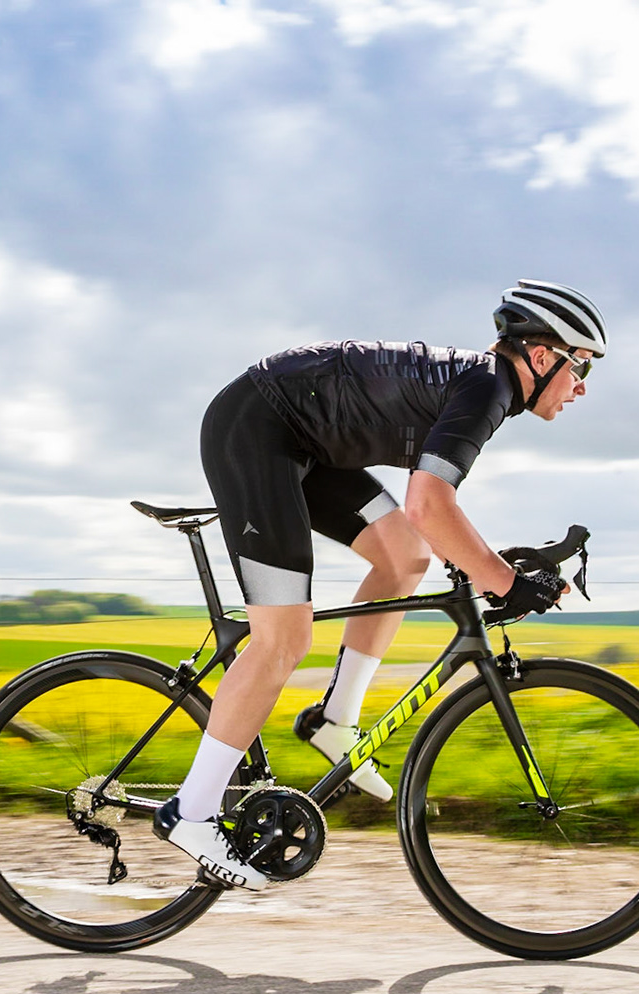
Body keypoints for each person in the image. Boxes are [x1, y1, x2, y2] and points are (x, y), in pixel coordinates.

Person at [153, 280, 607, 889]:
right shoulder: (488, 388)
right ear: (544, 356)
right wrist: (502, 581)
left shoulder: (484, 387)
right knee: (281, 640)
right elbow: (430, 502)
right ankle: (194, 811)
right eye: (581, 367)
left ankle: (334, 721)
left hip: (304, 443)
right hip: (257, 430)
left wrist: (495, 569)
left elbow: (428, 519)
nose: (581, 388)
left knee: (404, 556)